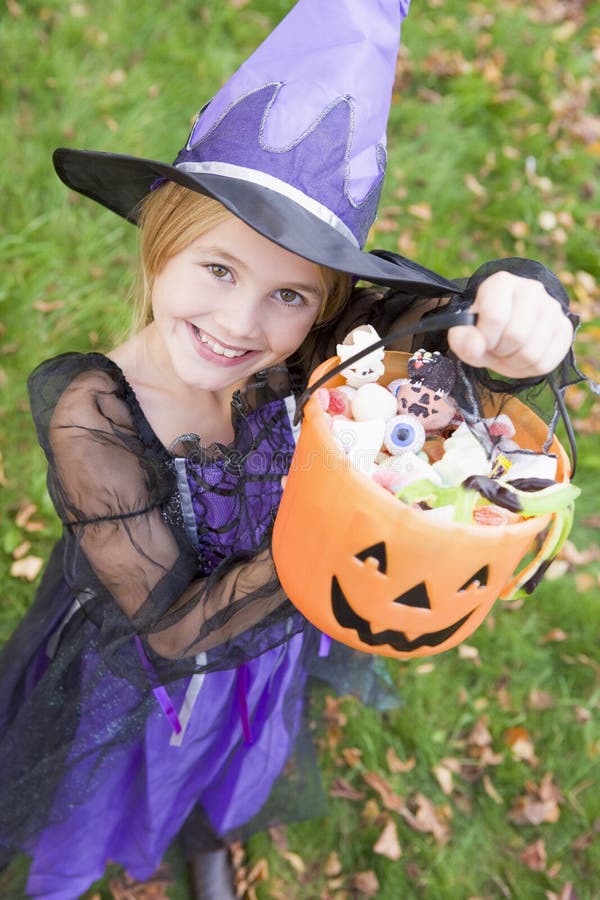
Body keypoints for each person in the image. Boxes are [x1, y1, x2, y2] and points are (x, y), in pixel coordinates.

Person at [0, 1, 581, 897]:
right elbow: (176, 628)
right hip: (149, 669)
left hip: (268, 652)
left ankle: (209, 832)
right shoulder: (98, 410)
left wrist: (519, 300)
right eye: (219, 270)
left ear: (329, 302)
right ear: (160, 246)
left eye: (290, 295)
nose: (241, 325)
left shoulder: (317, 345)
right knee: (131, 777)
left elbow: (446, 322)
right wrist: (334, 540)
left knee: (235, 756)